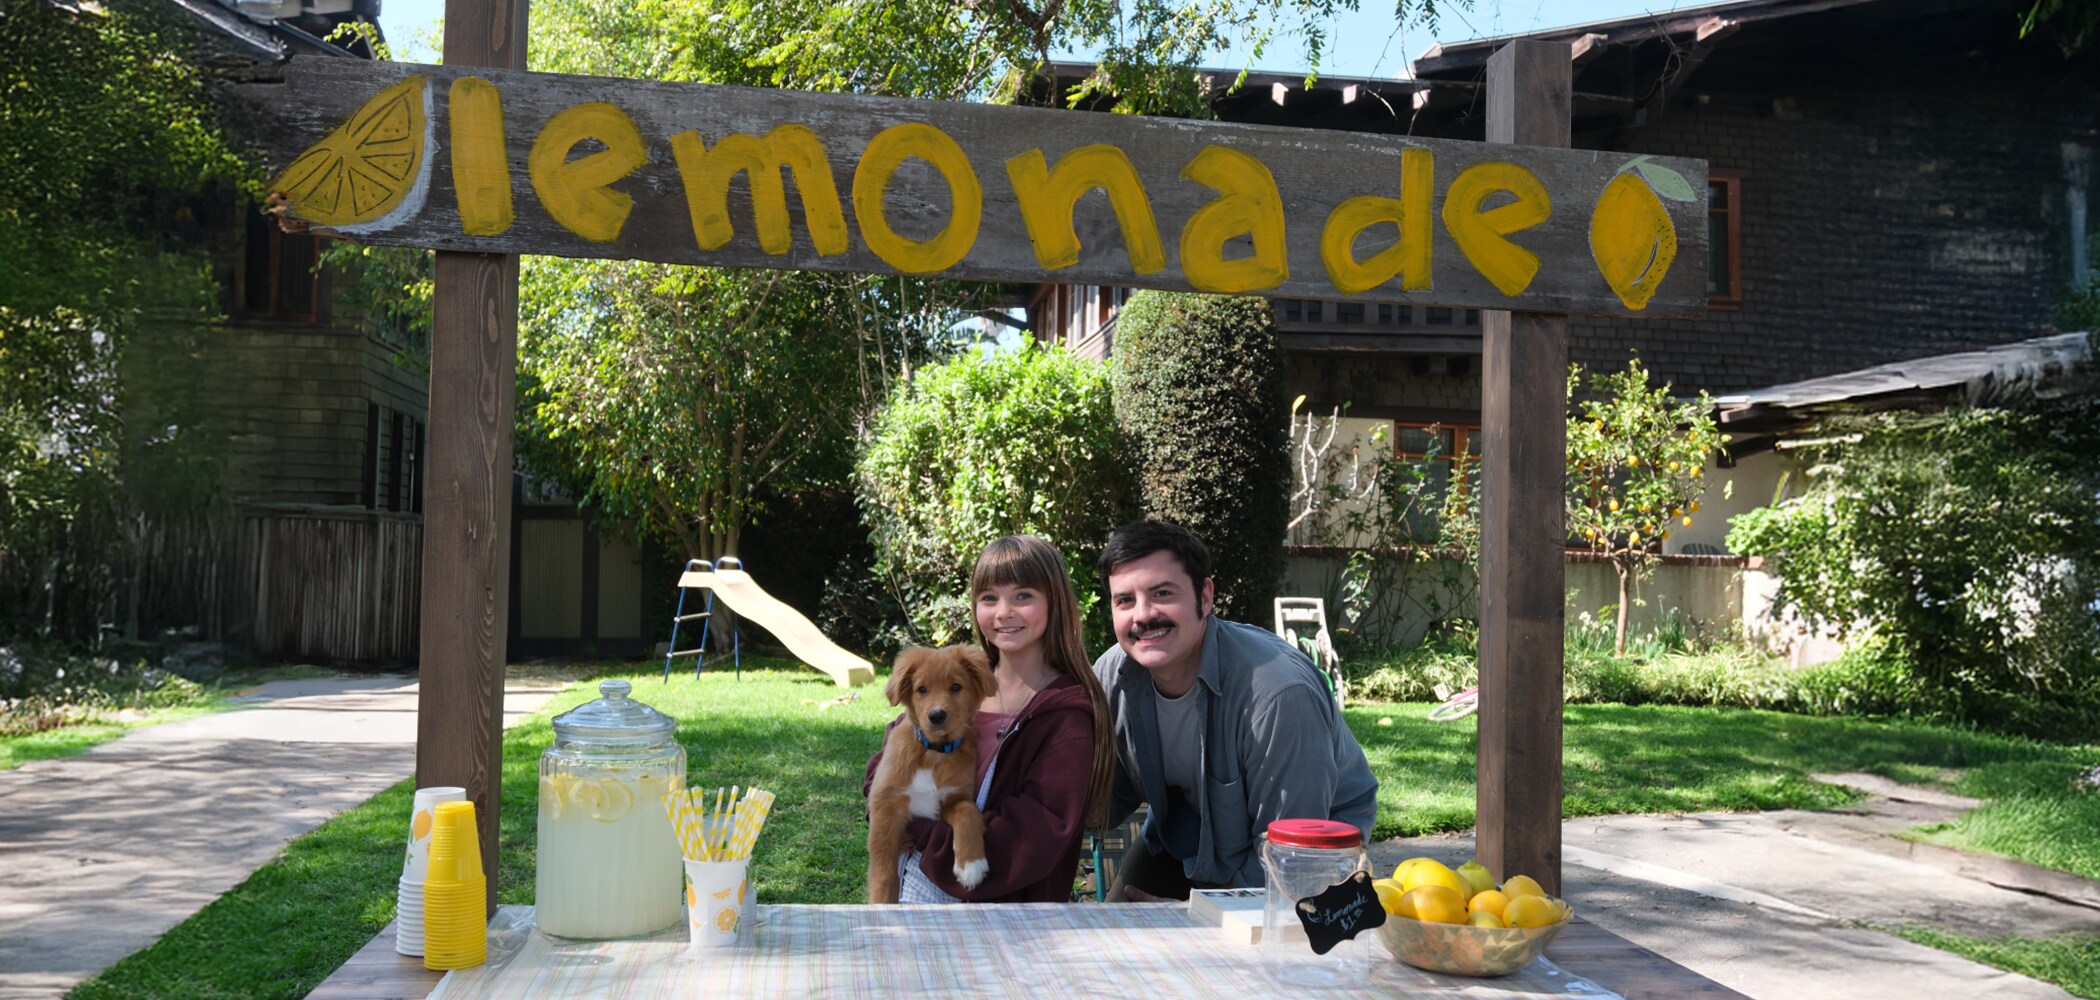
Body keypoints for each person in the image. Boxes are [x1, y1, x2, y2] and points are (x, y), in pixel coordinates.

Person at [1093, 520, 1377, 902]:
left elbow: (1289, 856)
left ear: (1205, 596)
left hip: (1308, 852)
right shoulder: (1114, 675)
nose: (1142, 615)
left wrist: (1193, 917)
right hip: (1189, 833)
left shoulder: (1277, 695)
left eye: (1161, 593)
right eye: (1124, 600)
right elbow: (1090, 796)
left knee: (1222, 955)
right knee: (1117, 928)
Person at [862, 534, 1115, 902]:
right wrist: (886, 804)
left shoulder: (1064, 718)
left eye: (1023, 595)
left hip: (1005, 918)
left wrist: (916, 822)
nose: (1003, 612)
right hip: (908, 892)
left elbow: (1029, 841)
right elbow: (884, 763)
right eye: (989, 598)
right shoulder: (957, 683)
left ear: (1054, 602)